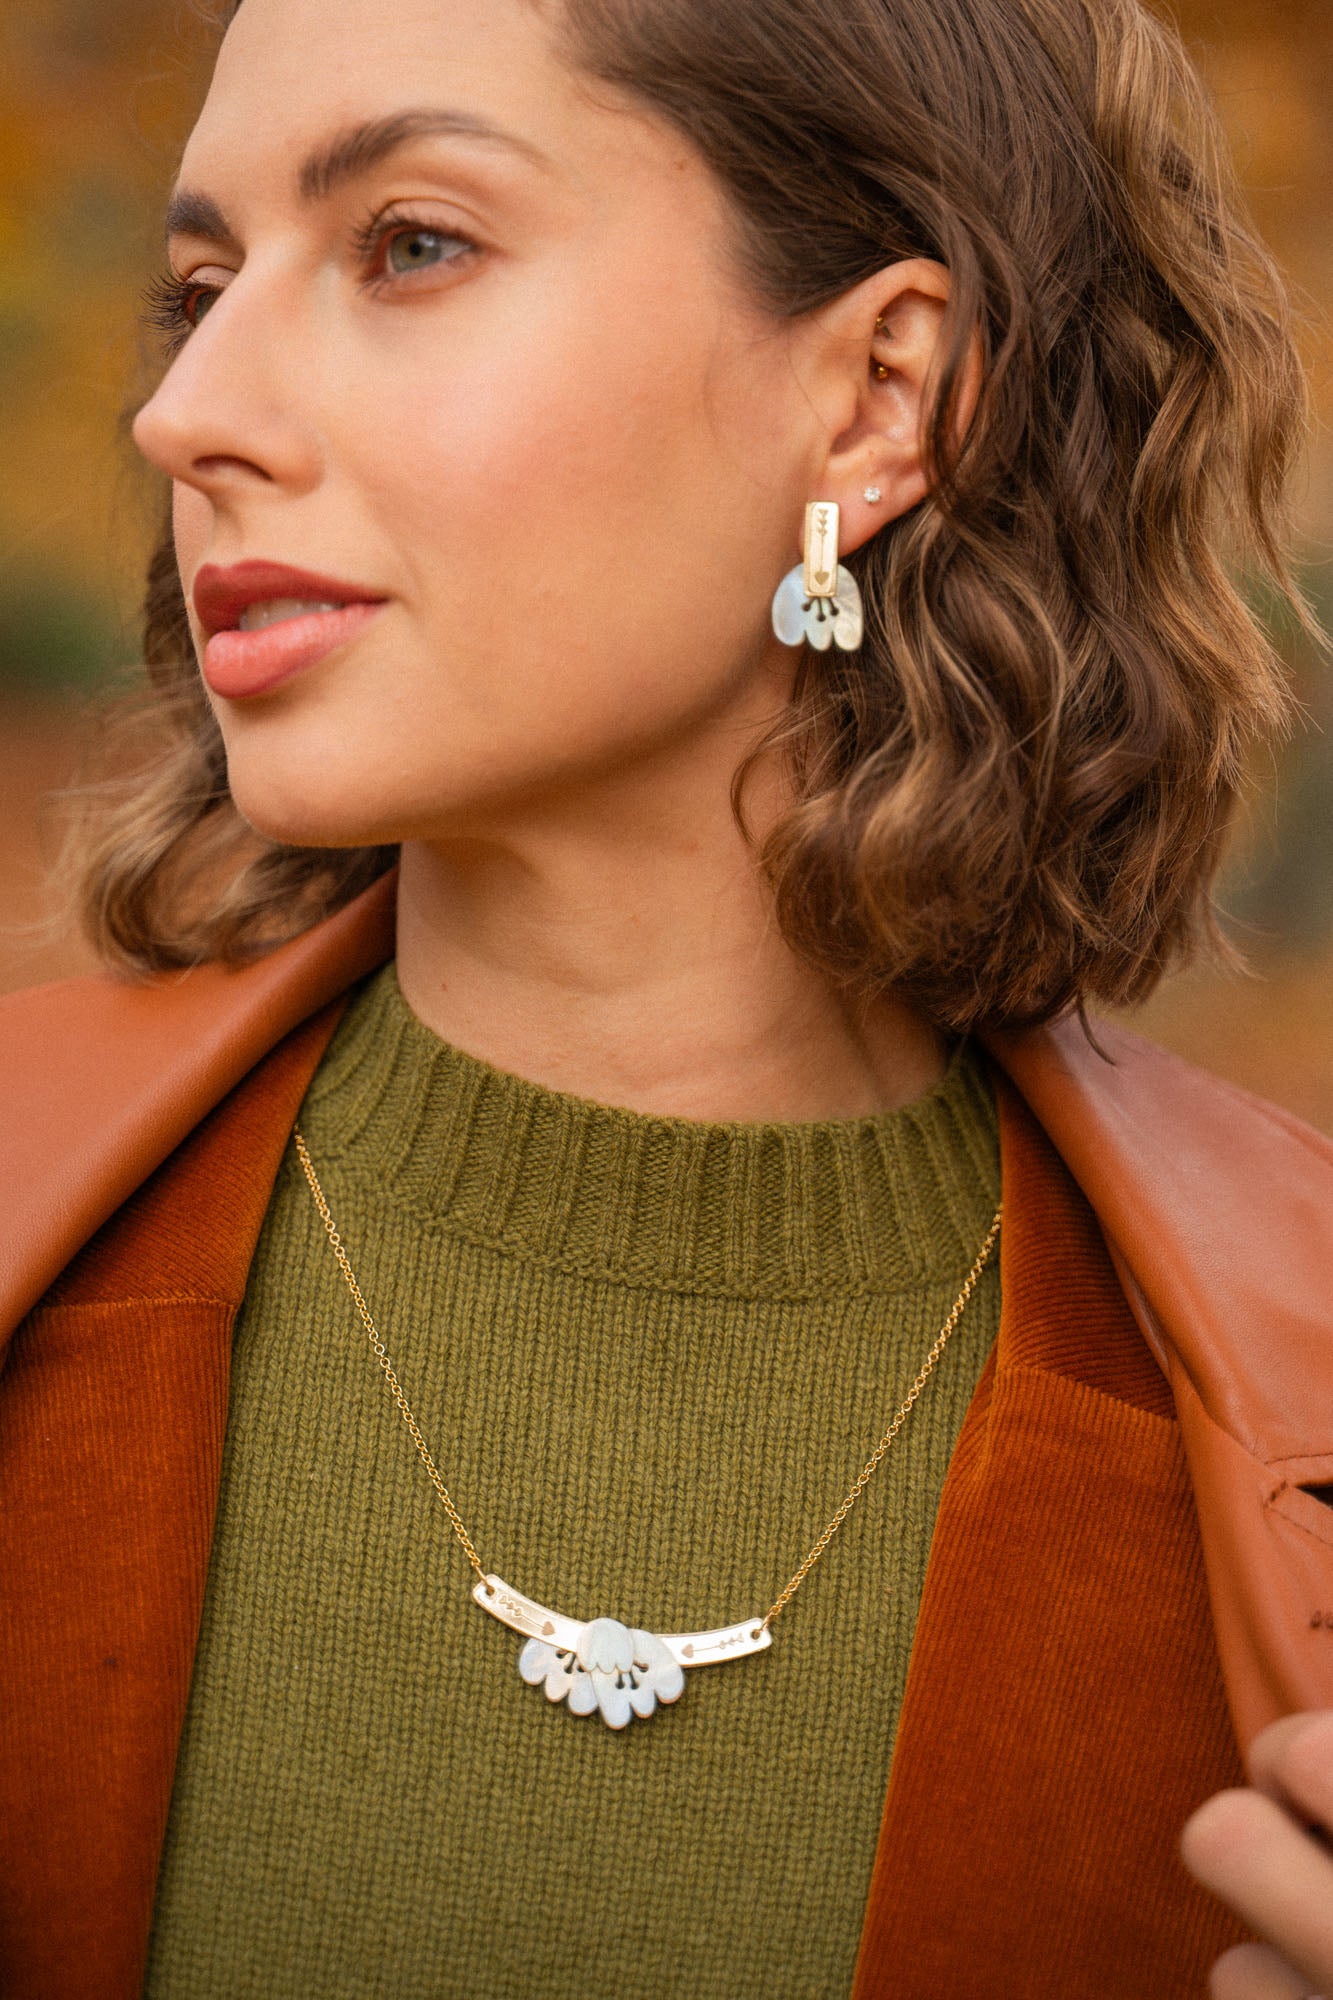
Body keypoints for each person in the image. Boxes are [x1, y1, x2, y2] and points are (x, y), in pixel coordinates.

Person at [0, 0, 1329, 1993]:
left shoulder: (1283, 1442)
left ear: (877, 397)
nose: (186, 412)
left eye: (410, 244)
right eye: (202, 285)